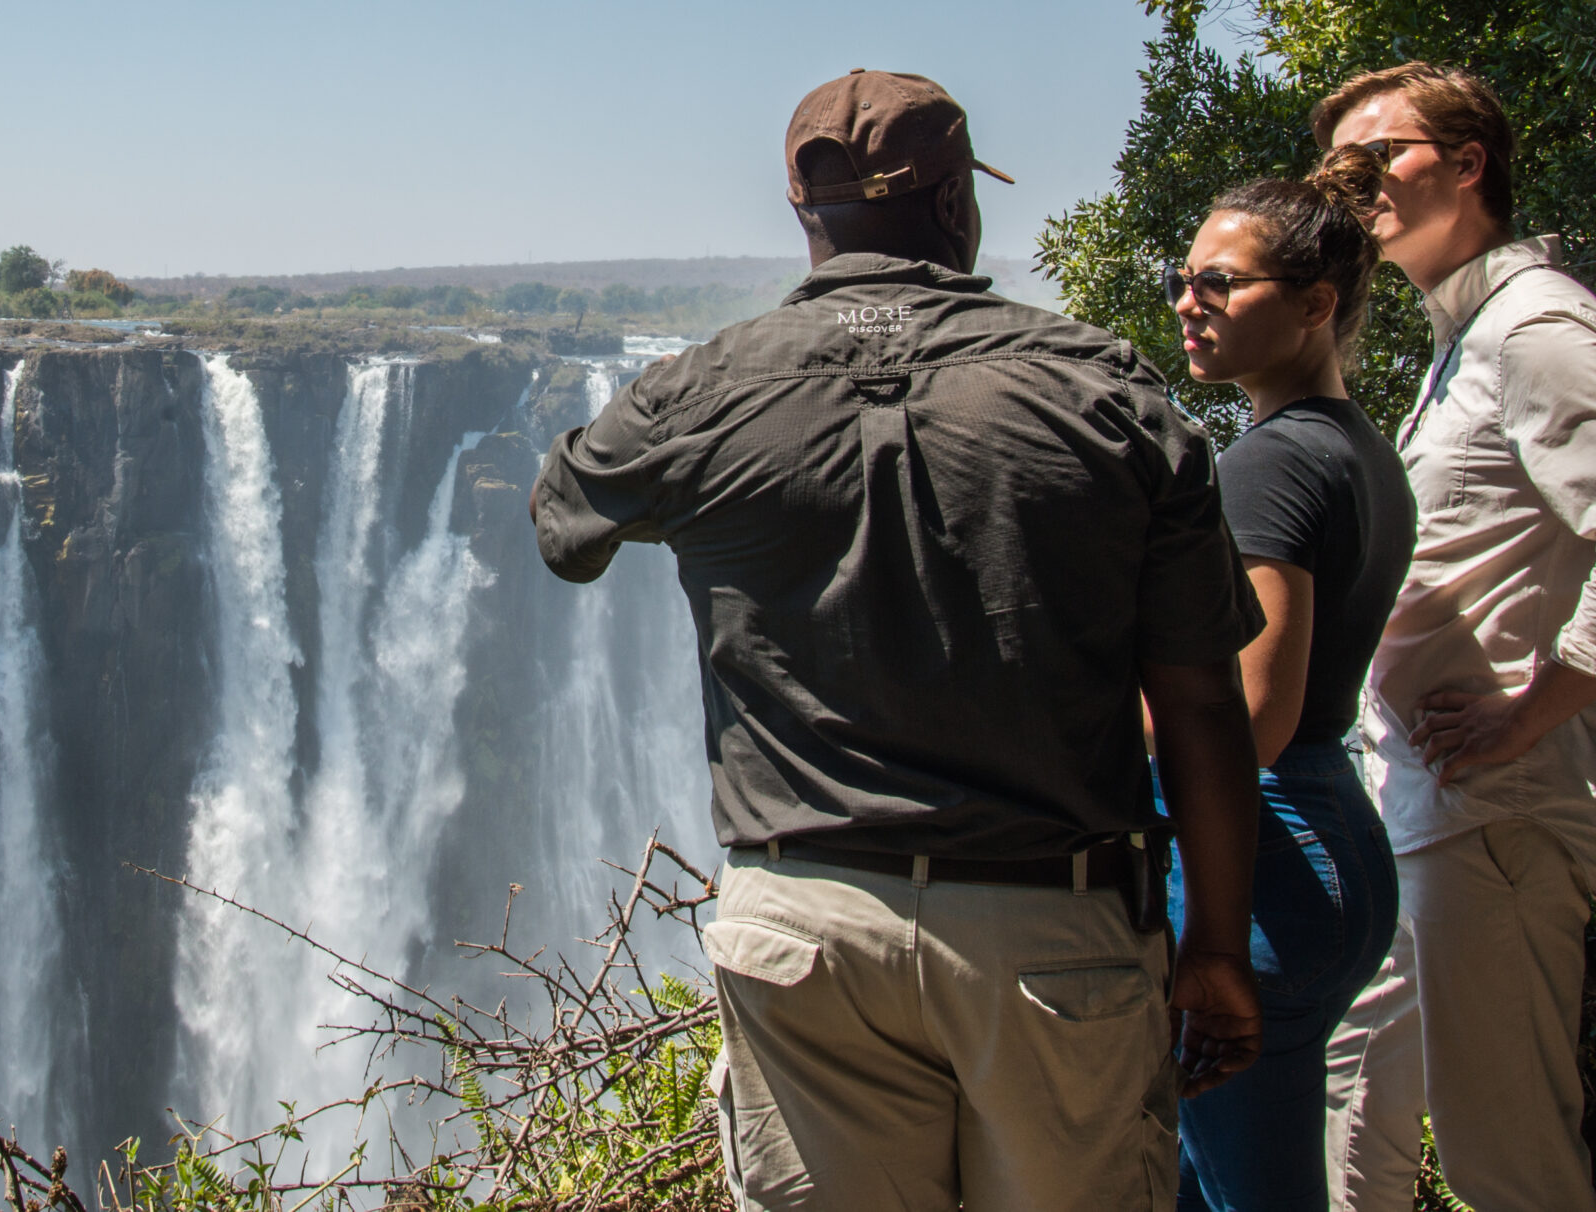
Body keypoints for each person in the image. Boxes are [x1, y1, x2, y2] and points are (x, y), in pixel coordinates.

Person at [530, 69, 1267, 1211]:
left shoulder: (698, 391)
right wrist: (1216, 947)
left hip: (800, 929)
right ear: (955, 202)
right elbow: (1204, 706)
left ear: (801, 212)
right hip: (1050, 927)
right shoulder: (1105, 391)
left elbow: (563, 525)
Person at [1312, 63, 1596, 1212]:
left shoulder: (1534, 330)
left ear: (1467, 162)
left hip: (1498, 807)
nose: (1359, 186)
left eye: (1380, 155)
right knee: (1356, 1107)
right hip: (1425, 804)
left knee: (1505, 1158)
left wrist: (1526, 711)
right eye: (1341, 169)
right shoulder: (1464, 341)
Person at [1157, 146, 1413, 1212]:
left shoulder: (1268, 463)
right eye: (1180, 280)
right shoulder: (1357, 449)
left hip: (1260, 851)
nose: (1188, 302)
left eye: (1220, 283)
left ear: (1313, 303)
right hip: (1330, 835)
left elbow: (1251, 715)